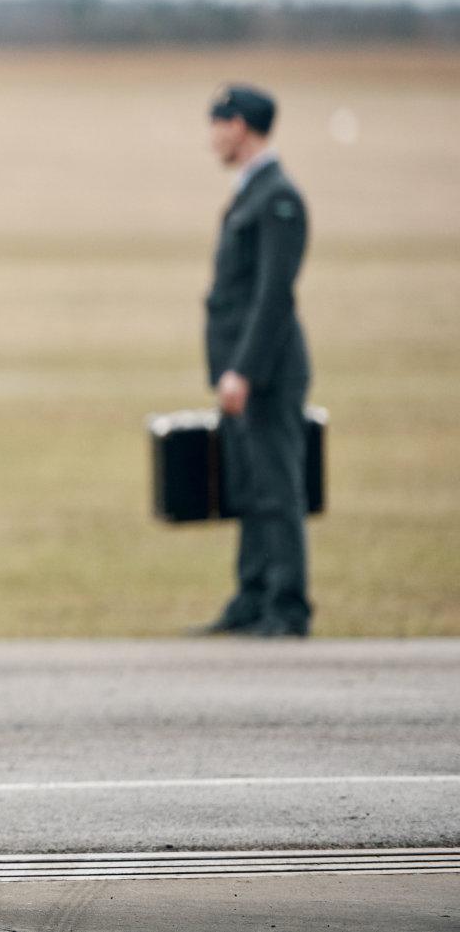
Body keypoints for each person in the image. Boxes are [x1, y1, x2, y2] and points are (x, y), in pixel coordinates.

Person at [193, 83, 313, 637]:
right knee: (249, 482)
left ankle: (287, 605)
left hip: (267, 370)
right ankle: (252, 596)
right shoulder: (252, 191)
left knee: (278, 485)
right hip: (241, 369)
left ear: (239, 127)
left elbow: (273, 295)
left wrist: (243, 369)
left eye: (218, 123)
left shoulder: (277, 198)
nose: (213, 134)